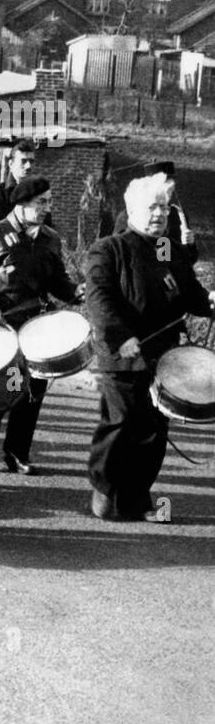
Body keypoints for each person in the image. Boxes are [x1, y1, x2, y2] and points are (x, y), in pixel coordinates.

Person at [84, 172, 215, 522]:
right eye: (151, 208)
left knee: (155, 428)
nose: (159, 214)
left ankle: (139, 496)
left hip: (164, 356)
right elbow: (99, 299)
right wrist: (121, 337)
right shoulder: (109, 249)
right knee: (121, 423)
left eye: (164, 207)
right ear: (131, 209)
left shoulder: (165, 248)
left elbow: (190, 293)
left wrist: (210, 303)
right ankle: (106, 490)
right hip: (124, 354)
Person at [0, 177, 80, 475]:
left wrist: (74, 293)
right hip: (3, 321)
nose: (47, 208)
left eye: (49, 202)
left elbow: (58, 280)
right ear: (20, 204)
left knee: (34, 388)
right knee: (5, 384)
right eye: (40, 203)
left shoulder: (50, 238)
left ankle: (18, 451)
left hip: (38, 323)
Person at [111, 161, 197, 264]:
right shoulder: (129, 215)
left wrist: (189, 244)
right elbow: (118, 253)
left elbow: (188, 262)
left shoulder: (178, 215)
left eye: (171, 186)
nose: (168, 190)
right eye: (164, 185)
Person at [0, 140, 45, 227]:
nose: (28, 166)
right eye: (23, 161)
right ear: (11, 164)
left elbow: (45, 228)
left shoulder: (40, 195)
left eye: (31, 161)